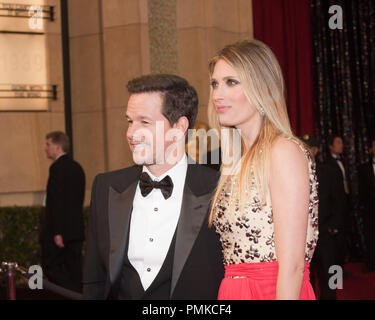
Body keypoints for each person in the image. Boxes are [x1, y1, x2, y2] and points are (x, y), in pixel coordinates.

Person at [82, 74, 224, 300]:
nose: (131, 133)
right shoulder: (106, 187)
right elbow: (94, 278)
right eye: (130, 121)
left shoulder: (219, 190)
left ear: (179, 126)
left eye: (144, 122)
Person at [207, 39, 319, 300]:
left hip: (273, 291)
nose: (217, 95)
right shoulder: (236, 159)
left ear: (262, 87)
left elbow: (292, 266)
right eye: (215, 83)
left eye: (231, 82)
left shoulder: (283, 151)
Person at [42, 131, 86, 293]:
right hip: (75, 231)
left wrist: (58, 232)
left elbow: (57, 202)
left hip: (60, 234)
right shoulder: (77, 167)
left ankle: (72, 294)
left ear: (58, 146)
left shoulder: (57, 168)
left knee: (51, 267)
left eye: (48, 144)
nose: (45, 148)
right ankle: (78, 294)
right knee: (74, 271)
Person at [359, 139, 375, 273]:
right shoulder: (364, 168)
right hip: (370, 210)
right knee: (370, 236)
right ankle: (371, 262)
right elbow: (361, 191)